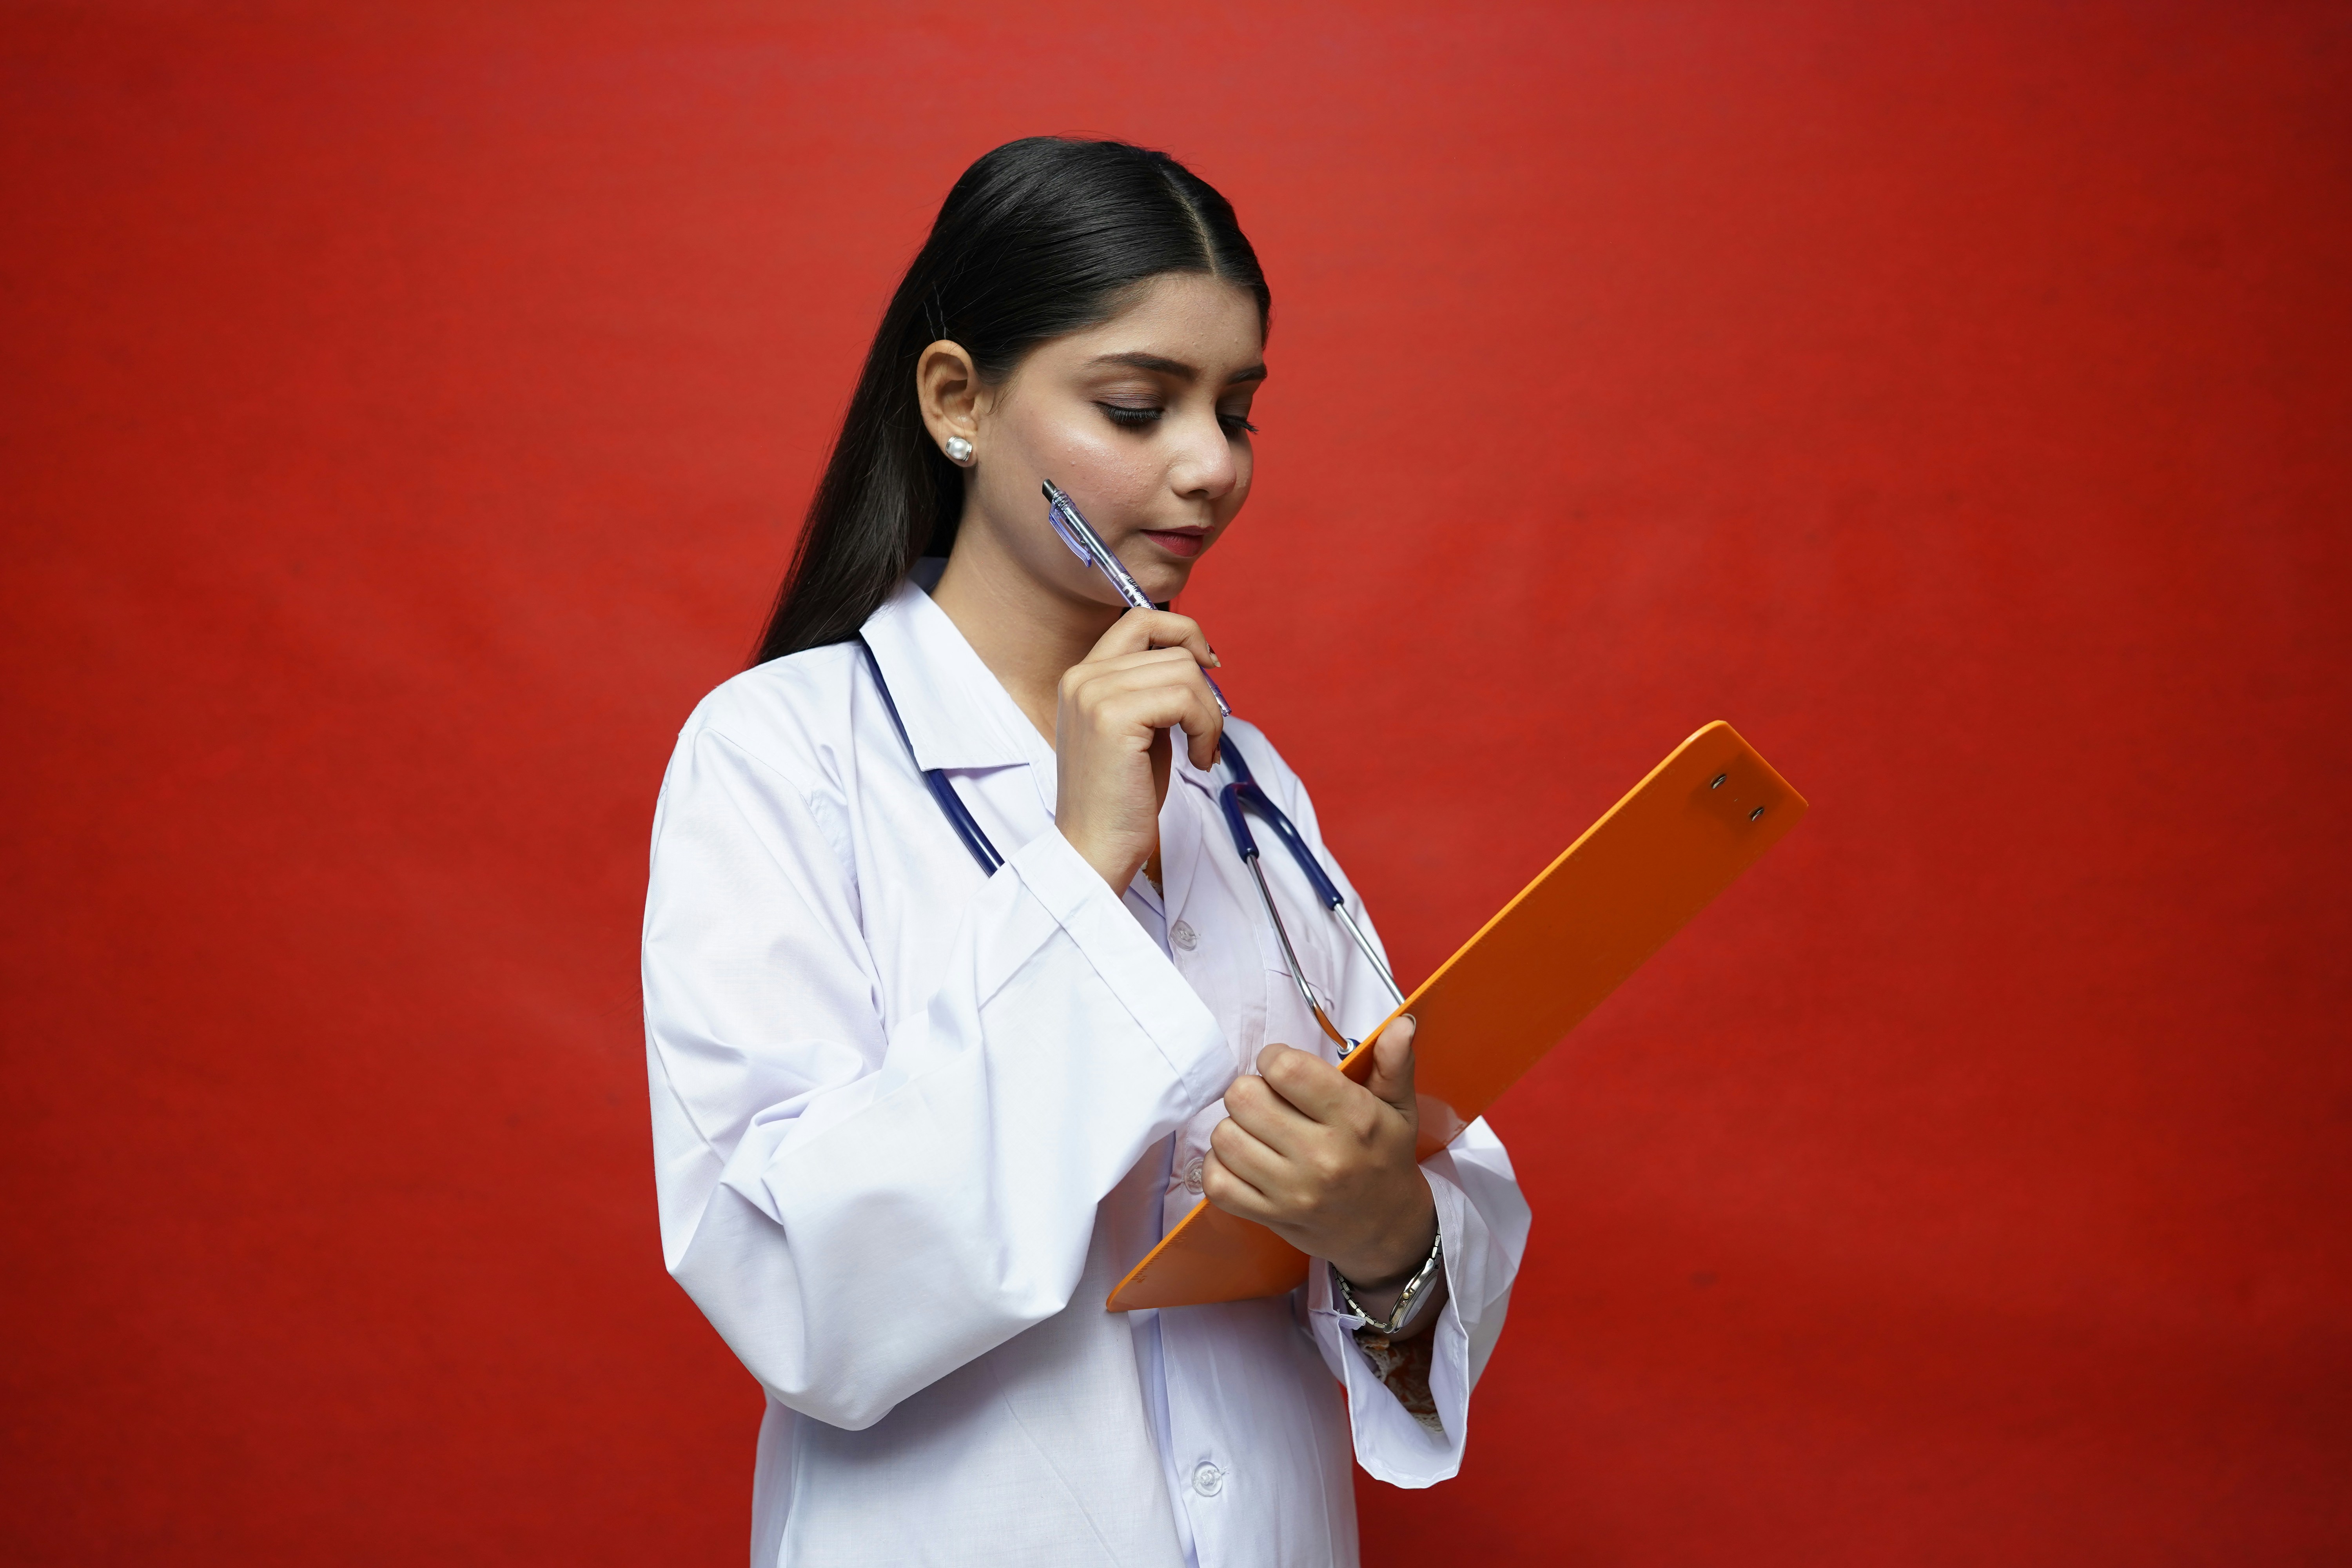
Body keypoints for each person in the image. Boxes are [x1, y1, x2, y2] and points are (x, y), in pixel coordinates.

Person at [642, 136, 1530, 1568]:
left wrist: (1387, 1236)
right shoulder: (779, 754)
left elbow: (1418, 1192)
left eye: (1236, 411)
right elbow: (806, 1299)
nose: (1211, 467)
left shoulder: (1248, 789)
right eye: (1138, 405)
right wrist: (1076, 866)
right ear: (957, 401)